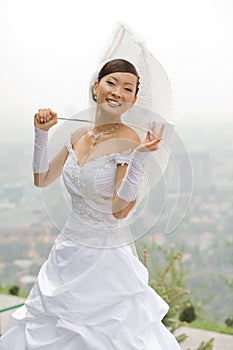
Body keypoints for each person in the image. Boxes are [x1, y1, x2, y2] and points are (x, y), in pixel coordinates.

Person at [0, 59, 181, 349]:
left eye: (127, 88)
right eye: (111, 83)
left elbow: (119, 210)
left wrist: (139, 159)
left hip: (106, 261)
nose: (117, 92)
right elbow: (42, 178)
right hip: (67, 252)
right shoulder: (78, 135)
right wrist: (41, 133)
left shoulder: (129, 139)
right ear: (96, 87)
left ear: (133, 99)